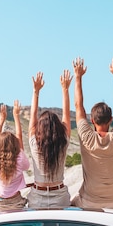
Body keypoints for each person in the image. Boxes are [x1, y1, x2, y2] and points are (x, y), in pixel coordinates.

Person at [70, 56, 113, 210]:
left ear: (92, 121)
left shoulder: (87, 137)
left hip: (89, 203)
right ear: (111, 120)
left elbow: (78, 106)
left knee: (70, 204)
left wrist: (78, 77)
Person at [27, 70, 73, 208]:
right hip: (59, 195)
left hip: (37, 198)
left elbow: (33, 115)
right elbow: (66, 115)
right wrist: (65, 89)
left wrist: (36, 92)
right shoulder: (63, 142)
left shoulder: (34, 142)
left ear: (39, 128)